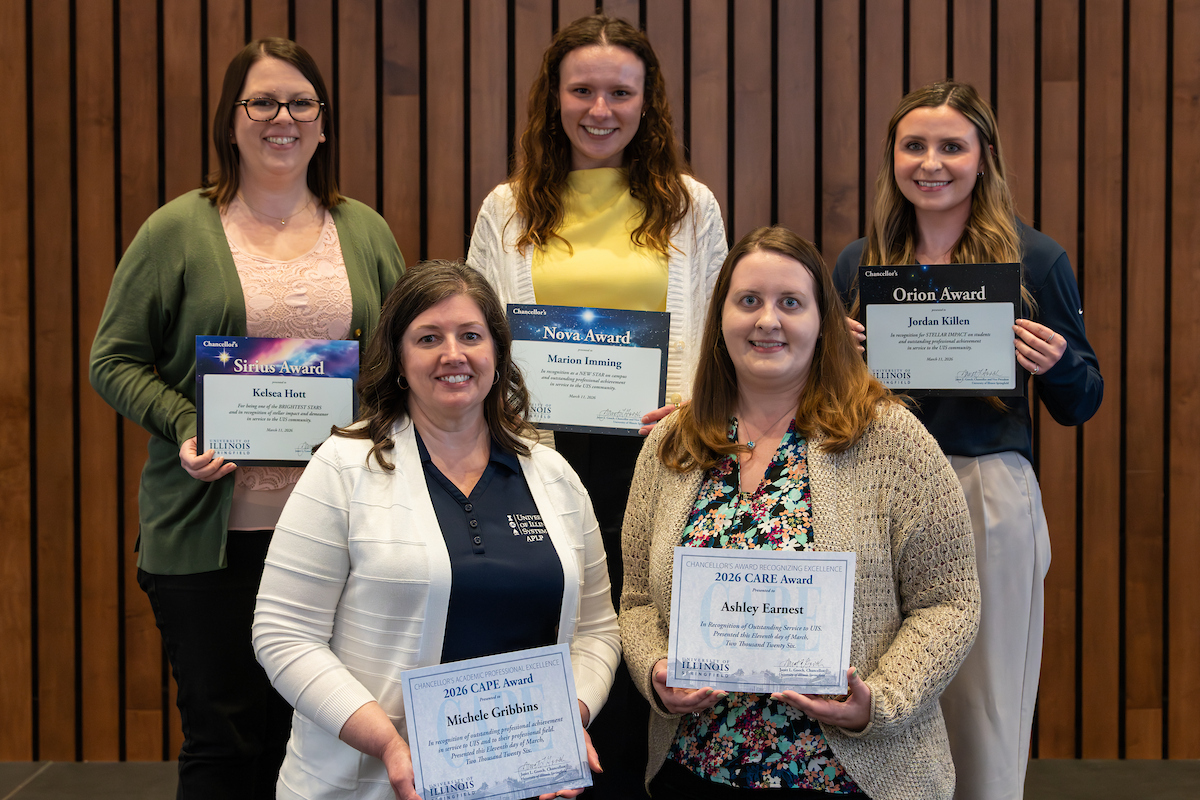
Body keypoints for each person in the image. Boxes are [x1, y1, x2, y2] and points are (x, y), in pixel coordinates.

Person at [88, 38, 404, 799]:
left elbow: (397, 365)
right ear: (231, 122)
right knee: (225, 739)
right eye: (261, 102)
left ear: (323, 124)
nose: (281, 118)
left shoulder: (364, 230)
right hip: (212, 535)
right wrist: (183, 425)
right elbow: (113, 359)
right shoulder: (177, 230)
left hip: (338, 530)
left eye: (300, 103)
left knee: (329, 737)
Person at [620, 226, 981, 800]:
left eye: (791, 302)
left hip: (851, 775)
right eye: (748, 301)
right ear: (720, 318)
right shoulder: (672, 444)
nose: (768, 321)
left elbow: (950, 601)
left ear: (823, 321)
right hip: (697, 771)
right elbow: (637, 601)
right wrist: (655, 670)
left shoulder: (891, 439)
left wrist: (880, 700)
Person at [466, 16, 727, 795]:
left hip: (656, 458)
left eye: (621, 91)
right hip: (536, 463)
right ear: (555, 98)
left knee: (638, 635)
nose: (600, 108)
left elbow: (720, 338)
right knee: (548, 634)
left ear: (650, 103)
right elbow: (478, 336)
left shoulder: (689, 207)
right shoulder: (507, 209)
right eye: (582, 90)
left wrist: (687, 408)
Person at [252, 260, 621, 800]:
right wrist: (387, 744)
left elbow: (596, 630)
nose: (454, 354)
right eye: (429, 337)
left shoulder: (553, 475)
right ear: (400, 359)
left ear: (496, 353)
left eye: (471, 335)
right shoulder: (343, 466)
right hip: (371, 784)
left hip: (523, 781)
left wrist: (567, 719)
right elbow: (283, 634)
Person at [832, 81, 1103, 800]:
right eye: (913, 145)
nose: (931, 162)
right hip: (872, 492)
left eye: (951, 146)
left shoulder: (1036, 260)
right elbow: (817, 405)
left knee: (984, 703)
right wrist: (834, 360)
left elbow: (1083, 402)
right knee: (881, 688)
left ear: (984, 155)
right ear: (892, 155)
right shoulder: (860, 263)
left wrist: (1059, 363)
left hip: (986, 491)